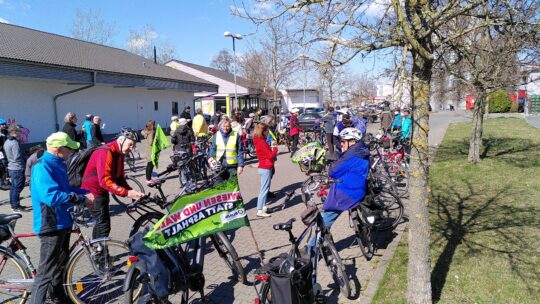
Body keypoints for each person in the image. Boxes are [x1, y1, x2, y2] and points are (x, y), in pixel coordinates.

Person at [30, 132, 94, 304]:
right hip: (51, 225)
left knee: (59, 266)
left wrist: (85, 193)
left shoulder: (59, 164)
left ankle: (59, 298)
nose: (71, 153)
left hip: (63, 222)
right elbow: (50, 196)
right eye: (69, 150)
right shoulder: (42, 167)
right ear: (59, 150)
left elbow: (66, 189)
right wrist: (80, 198)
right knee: (45, 273)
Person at [308, 128, 369, 253]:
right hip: (358, 188)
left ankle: (310, 250)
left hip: (347, 193)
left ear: (351, 142)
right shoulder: (362, 151)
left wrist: (338, 159)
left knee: (325, 218)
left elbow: (333, 171)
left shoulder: (350, 156)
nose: (340, 144)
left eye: (342, 141)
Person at [81, 128, 144, 239]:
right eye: (130, 144)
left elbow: (119, 177)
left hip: (101, 190)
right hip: (93, 192)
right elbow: (105, 180)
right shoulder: (105, 151)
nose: (132, 148)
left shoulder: (119, 153)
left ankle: (98, 251)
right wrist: (126, 193)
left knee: (102, 223)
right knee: (103, 225)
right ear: (121, 140)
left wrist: (131, 191)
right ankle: (99, 254)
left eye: (133, 146)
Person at [253, 123, 278, 218]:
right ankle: (259, 210)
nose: (268, 132)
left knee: (265, 188)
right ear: (262, 132)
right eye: (267, 130)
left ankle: (263, 207)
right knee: (264, 190)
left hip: (265, 166)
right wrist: (275, 149)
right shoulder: (261, 142)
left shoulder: (261, 140)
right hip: (265, 167)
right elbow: (270, 155)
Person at [3, 124, 30, 212]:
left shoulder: (7, 141)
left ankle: (14, 204)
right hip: (17, 167)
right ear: (14, 132)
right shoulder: (14, 142)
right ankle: (15, 206)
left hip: (12, 167)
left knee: (14, 187)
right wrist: (26, 156)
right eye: (19, 131)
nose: (21, 133)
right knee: (18, 187)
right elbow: (17, 157)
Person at [171, 118, 195, 185]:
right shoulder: (189, 130)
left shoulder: (176, 131)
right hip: (187, 150)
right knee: (189, 165)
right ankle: (191, 180)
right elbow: (192, 140)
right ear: (185, 123)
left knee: (181, 166)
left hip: (178, 150)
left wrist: (176, 142)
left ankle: (183, 182)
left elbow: (172, 141)